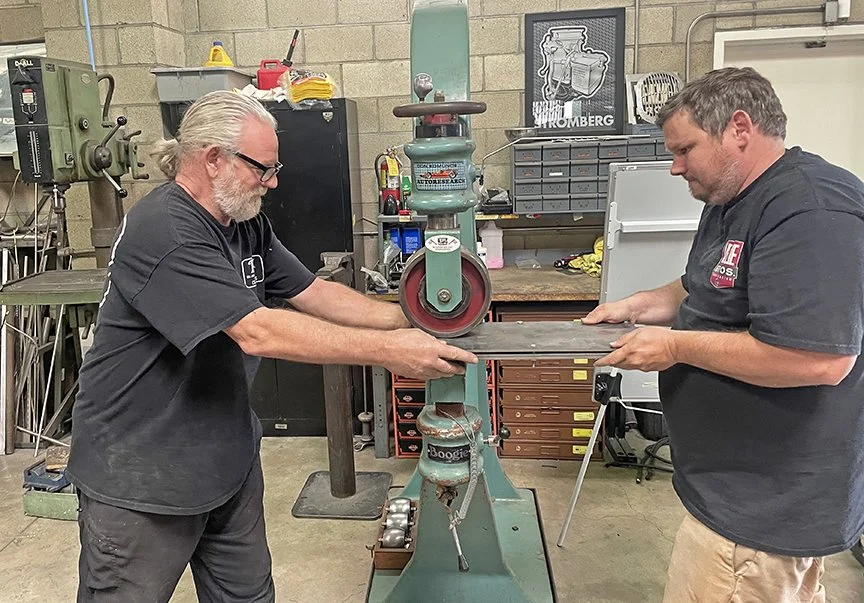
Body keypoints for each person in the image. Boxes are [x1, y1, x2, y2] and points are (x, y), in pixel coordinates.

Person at [66, 90, 478, 602]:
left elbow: (312, 292)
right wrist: (391, 351)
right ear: (213, 159)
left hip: (226, 461)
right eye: (263, 168)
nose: (274, 181)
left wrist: (413, 317)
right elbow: (258, 330)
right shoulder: (165, 230)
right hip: (141, 479)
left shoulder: (244, 222)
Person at [583, 66, 864, 602]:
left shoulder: (809, 208)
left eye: (685, 149)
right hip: (732, 496)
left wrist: (673, 346)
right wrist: (636, 305)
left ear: (739, 128)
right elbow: (704, 286)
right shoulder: (732, 199)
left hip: (764, 514)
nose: (674, 167)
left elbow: (817, 360)